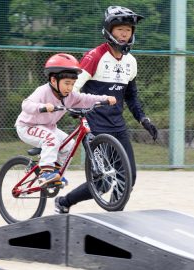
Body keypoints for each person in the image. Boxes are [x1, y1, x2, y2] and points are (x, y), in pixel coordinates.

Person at [55, 6, 158, 214]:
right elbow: (73, 86)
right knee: (102, 181)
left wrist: (143, 119)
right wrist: (72, 106)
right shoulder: (95, 56)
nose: (124, 34)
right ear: (110, 30)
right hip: (94, 125)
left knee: (128, 176)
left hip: (117, 126)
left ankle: (114, 217)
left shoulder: (130, 62)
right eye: (120, 29)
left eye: (128, 30)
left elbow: (130, 96)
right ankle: (64, 202)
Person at [15, 53, 116, 187]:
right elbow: (26, 105)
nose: (70, 87)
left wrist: (105, 99)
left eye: (73, 84)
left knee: (69, 145)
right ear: (53, 81)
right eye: (67, 83)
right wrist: (43, 107)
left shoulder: (70, 96)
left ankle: (55, 173)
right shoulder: (43, 91)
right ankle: (46, 173)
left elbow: (86, 98)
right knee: (51, 139)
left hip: (49, 128)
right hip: (27, 127)